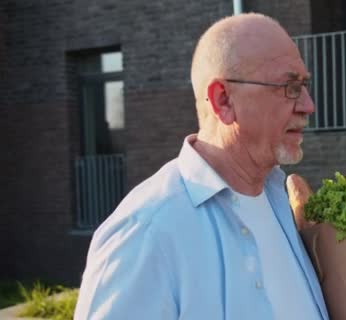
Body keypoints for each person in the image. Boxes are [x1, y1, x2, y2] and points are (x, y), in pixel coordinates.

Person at [74, 13, 328, 320]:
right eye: (289, 87)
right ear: (223, 101)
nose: (308, 105)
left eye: (304, 85)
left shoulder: (282, 205)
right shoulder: (145, 234)